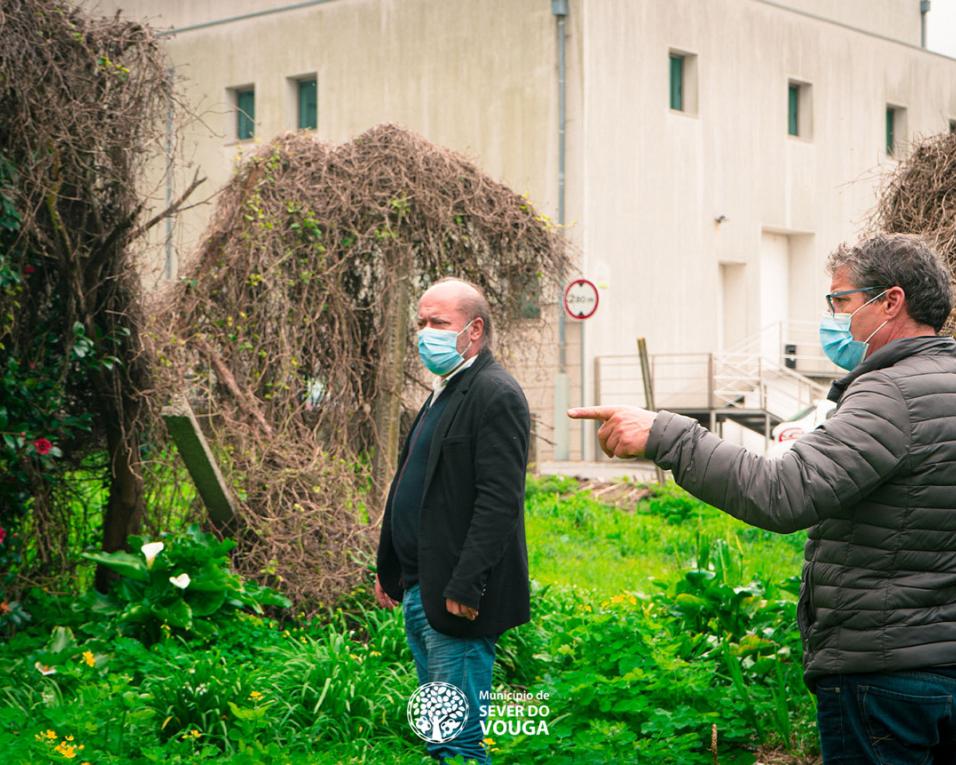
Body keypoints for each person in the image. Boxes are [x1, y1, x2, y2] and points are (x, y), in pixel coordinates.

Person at [569, 233, 956, 764]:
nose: (834, 318)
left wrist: (667, 435)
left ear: (891, 301)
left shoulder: (889, 393)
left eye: (841, 302)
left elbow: (783, 493)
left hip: (885, 675)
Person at [374, 277, 531, 765]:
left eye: (438, 323)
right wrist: (390, 567)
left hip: (455, 596)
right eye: (421, 322)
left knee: (455, 742)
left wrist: (466, 586)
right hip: (421, 585)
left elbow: (498, 502)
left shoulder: (495, 393)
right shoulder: (444, 391)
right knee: (439, 733)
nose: (426, 333)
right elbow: (413, 484)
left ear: (474, 330)